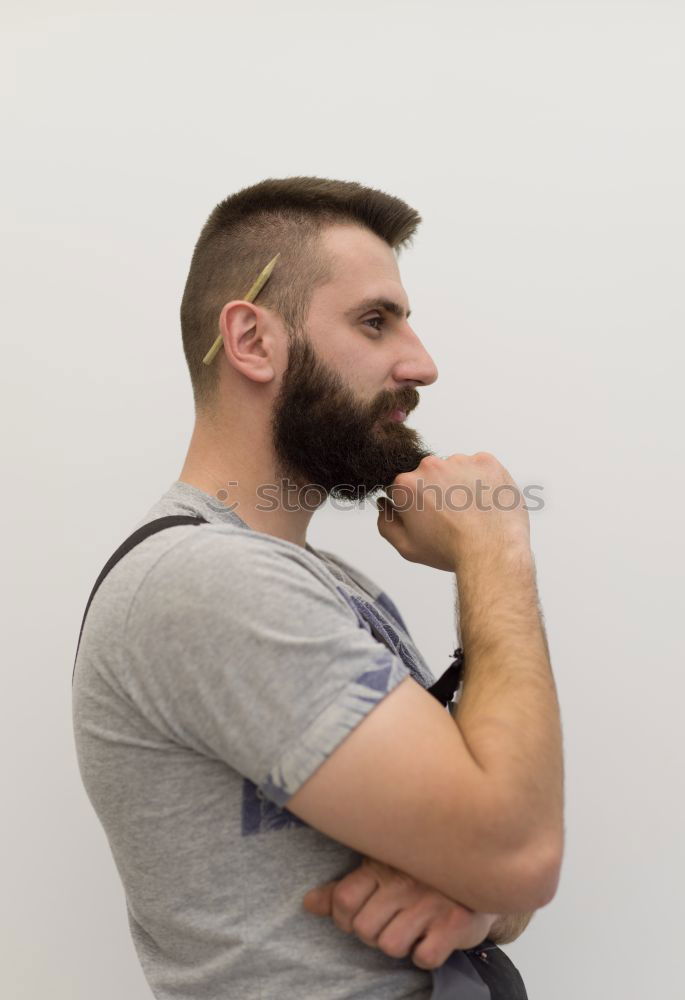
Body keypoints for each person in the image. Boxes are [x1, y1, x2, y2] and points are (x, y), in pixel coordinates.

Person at [72, 176, 564, 999]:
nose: (423, 364)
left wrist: (475, 903)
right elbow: (521, 851)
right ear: (253, 341)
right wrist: (495, 545)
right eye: (376, 321)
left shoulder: (324, 584)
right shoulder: (206, 584)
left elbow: (510, 854)